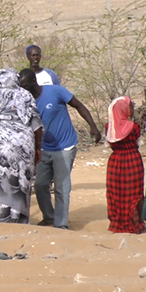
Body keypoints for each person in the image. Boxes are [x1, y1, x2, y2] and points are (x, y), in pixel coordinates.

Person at [19, 68, 101, 229]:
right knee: (41, 184)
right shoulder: (26, 102)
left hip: (64, 146)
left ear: (33, 82)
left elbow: (78, 105)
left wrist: (93, 126)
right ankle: (49, 216)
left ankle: (61, 223)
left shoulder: (56, 91)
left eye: (24, 85)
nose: (22, 89)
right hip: (43, 148)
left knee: (61, 186)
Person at [0, 68, 43, 224]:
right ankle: (18, 221)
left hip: (1, 149)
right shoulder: (26, 95)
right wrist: (37, 148)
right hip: (25, 149)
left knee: (0, 184)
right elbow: (37, 126)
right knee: (20, 185)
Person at [105, 97, 145, 234]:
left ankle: (117, 223)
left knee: (115, 193)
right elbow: (137, 142)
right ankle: (136, 223)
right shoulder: (134, 127)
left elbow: (111, 144)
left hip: (115, 162)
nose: (132, 110)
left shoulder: (109, 127)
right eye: (130, 107)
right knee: (135, 193)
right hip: (133, 160)